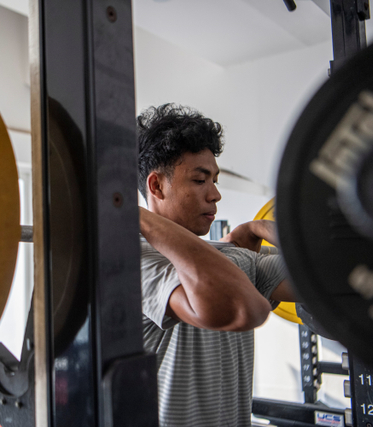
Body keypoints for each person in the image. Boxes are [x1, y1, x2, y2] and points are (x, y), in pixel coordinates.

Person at [137, 103, 296, 426]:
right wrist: (132, 214)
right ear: (156, 186)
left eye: (215, 180)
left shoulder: (232, 257)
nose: (215, 195)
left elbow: (324, 272)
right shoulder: (133, 261)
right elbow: (244, 307)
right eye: (200, 180)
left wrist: (257, 229)